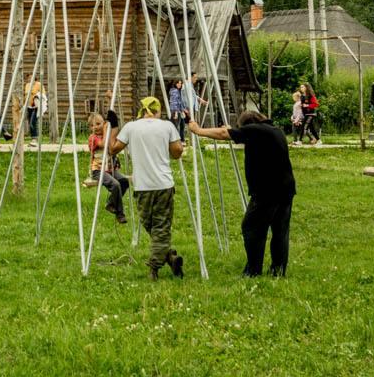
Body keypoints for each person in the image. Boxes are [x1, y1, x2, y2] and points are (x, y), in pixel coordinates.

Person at [190, 109, 295, 277]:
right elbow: (239, 135)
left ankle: (253, 270)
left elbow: (224, 133)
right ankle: (278, 270)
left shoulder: (256, 130)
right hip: (286, 188)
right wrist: (235, 130)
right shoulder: (274, 130)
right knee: (280, 231)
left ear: (248, 124)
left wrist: (198, 130)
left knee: (251, 228)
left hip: (266, 191)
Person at [109, 96, 185, 279]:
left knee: (151, 225)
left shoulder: (131, 127)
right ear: (157, 110)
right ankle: (169, 257)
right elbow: (177, 153)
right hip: (164, 184)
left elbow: (112, 149)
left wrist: (113, 126)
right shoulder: (167, 126)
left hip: (142, 186)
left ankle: (154, 267)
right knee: (161, 226)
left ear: (141, 110)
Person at [81, 110, 129, 223]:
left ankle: (111, 203)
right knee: (115, 185)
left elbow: (112, 125)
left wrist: (109, 98)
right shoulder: (93, 137)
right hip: (98, 170)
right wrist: (106, 129)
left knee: (124, 181)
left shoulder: (106, 134)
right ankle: (120, 214)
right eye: (92, 125)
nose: (95, 127)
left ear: (103, 124)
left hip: (110, 169)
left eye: (98, 124)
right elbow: (103, 144)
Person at [22, 78, 46, 145]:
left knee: (33, 121)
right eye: (28, 78)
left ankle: (34, 139)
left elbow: (43, 94)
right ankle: (33, 138)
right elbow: (25, 95)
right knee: (30, 122)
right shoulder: (27, 85)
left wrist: (36, 95)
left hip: (36, 106)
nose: (29, 79)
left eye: (30, 77)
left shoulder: (39, 84)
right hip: (28, 106)